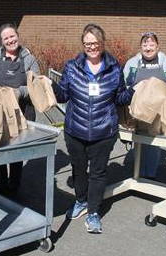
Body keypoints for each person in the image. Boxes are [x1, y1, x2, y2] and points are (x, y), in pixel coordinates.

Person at [53, 23, 135, 233]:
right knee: (79, 170)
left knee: (98, 173)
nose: (91, 47)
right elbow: (63, 95)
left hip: (104, 131)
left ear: (102, 43)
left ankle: (93, 212)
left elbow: (120, 98)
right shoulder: (72, 66)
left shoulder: (115, 68)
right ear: (83, 44)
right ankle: (81, 201)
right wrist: (51, 87)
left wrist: (134, 90)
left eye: (95, 43)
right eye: (87, 43)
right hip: (75, 130)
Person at [0, 23, 40, 195]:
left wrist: (19, 92)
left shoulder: (29, 58)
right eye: (6, 38)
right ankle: (1, 184)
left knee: (17, 150)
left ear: (17, 36)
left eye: (12, 36)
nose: (10, 40)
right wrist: (2, 94)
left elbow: (36, 85)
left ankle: (14, 185)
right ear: (1, 41)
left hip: (23, 111)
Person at [124, 32, 166, 179]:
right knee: (138, 141)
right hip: (137, 111)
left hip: (159, 112)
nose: (148, 48)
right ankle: (138, 173)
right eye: (145, 44)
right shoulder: (132, 63)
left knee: (153, 142)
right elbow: (124, 84)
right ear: (140, 47)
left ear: (157, 46)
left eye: (151, 44)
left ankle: (149, 174)